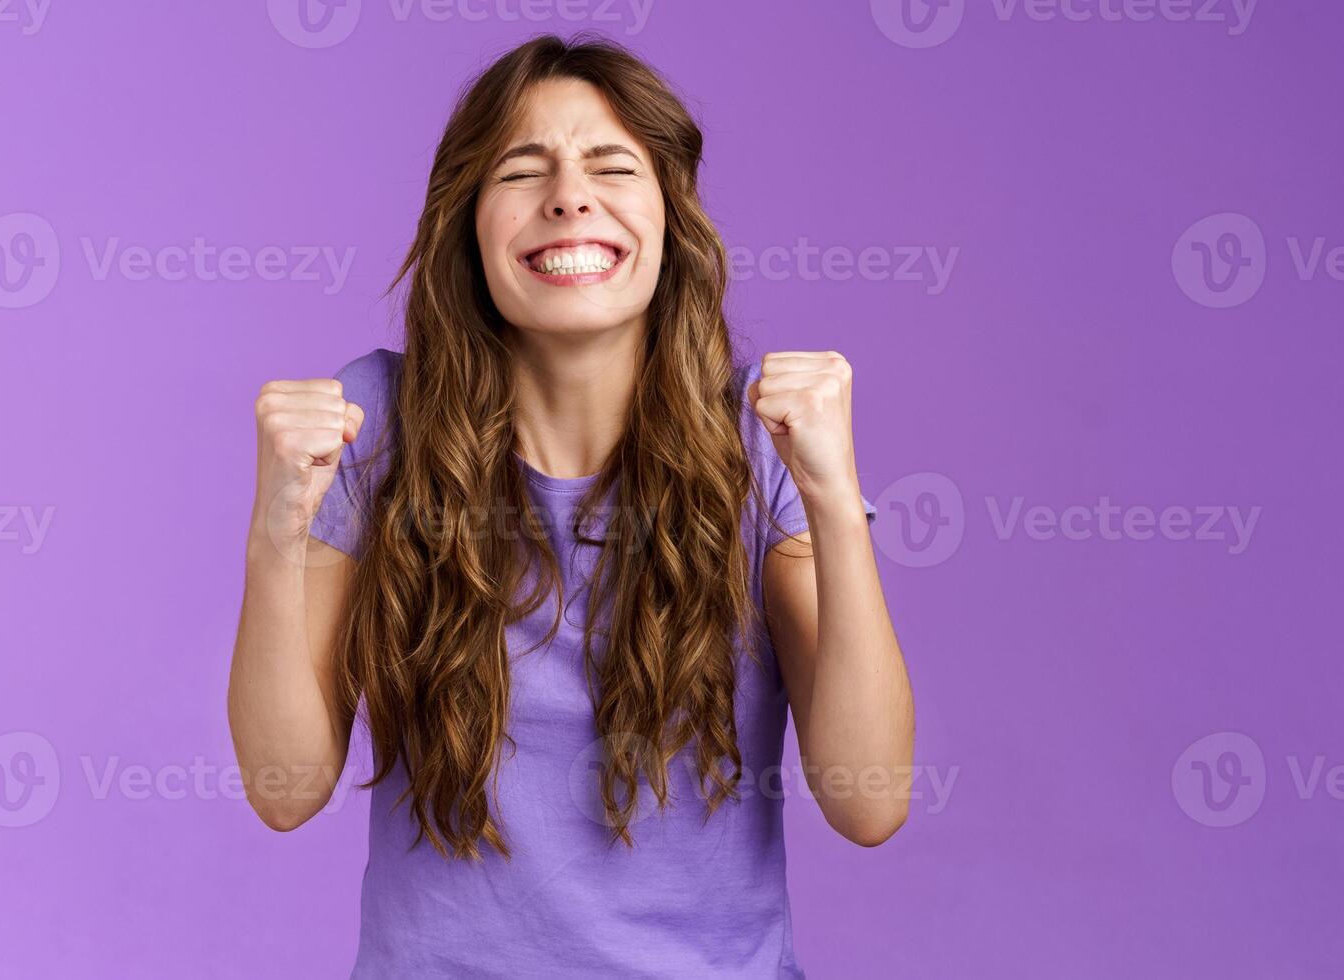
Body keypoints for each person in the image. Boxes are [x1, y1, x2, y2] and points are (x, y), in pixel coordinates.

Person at [228, 34, 915, 978]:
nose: (568, 195)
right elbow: (283, 788)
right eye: (523, 169)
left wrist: (834, 503)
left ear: (671, 218)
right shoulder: (374, 424)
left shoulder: (760, 440)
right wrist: (277, 531)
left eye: (611, 165)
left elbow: (868, 800)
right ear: (466, 221)